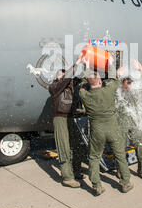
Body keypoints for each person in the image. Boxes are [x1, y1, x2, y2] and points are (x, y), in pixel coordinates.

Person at [79, 57, 133, 196]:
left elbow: (82, 84)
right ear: (100, 81)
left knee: (94, 157)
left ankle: (97, 186)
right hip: (112, 128)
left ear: (90, 84)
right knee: (120, 155)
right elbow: (114, 80)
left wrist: (86, 67)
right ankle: (125, 183)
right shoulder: (109, 91)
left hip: (97, 131)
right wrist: (109, 63)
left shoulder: (85, 95)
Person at [48, 53, 85, 188]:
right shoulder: (54, 87)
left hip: (70, 118)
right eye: (62, 75)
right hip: (60, 119)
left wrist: (86, 64)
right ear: (58, 77)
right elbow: (66, 79)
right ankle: (67, 177)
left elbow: (80, 78)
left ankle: (76, 171)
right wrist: (76, 63)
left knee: (76, 145)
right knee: (64, 148)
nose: (66, 78)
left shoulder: (69, 87)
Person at [116, 77, 142, 180]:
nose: (128, 86)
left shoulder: (135, 92)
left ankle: (141, 170)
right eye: (127, 84)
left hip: (135, 123)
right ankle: (120, 169)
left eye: (130, 84)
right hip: (121, 123)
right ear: (122, 84)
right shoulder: (118, 93)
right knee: (120, 148)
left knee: (140, 146)